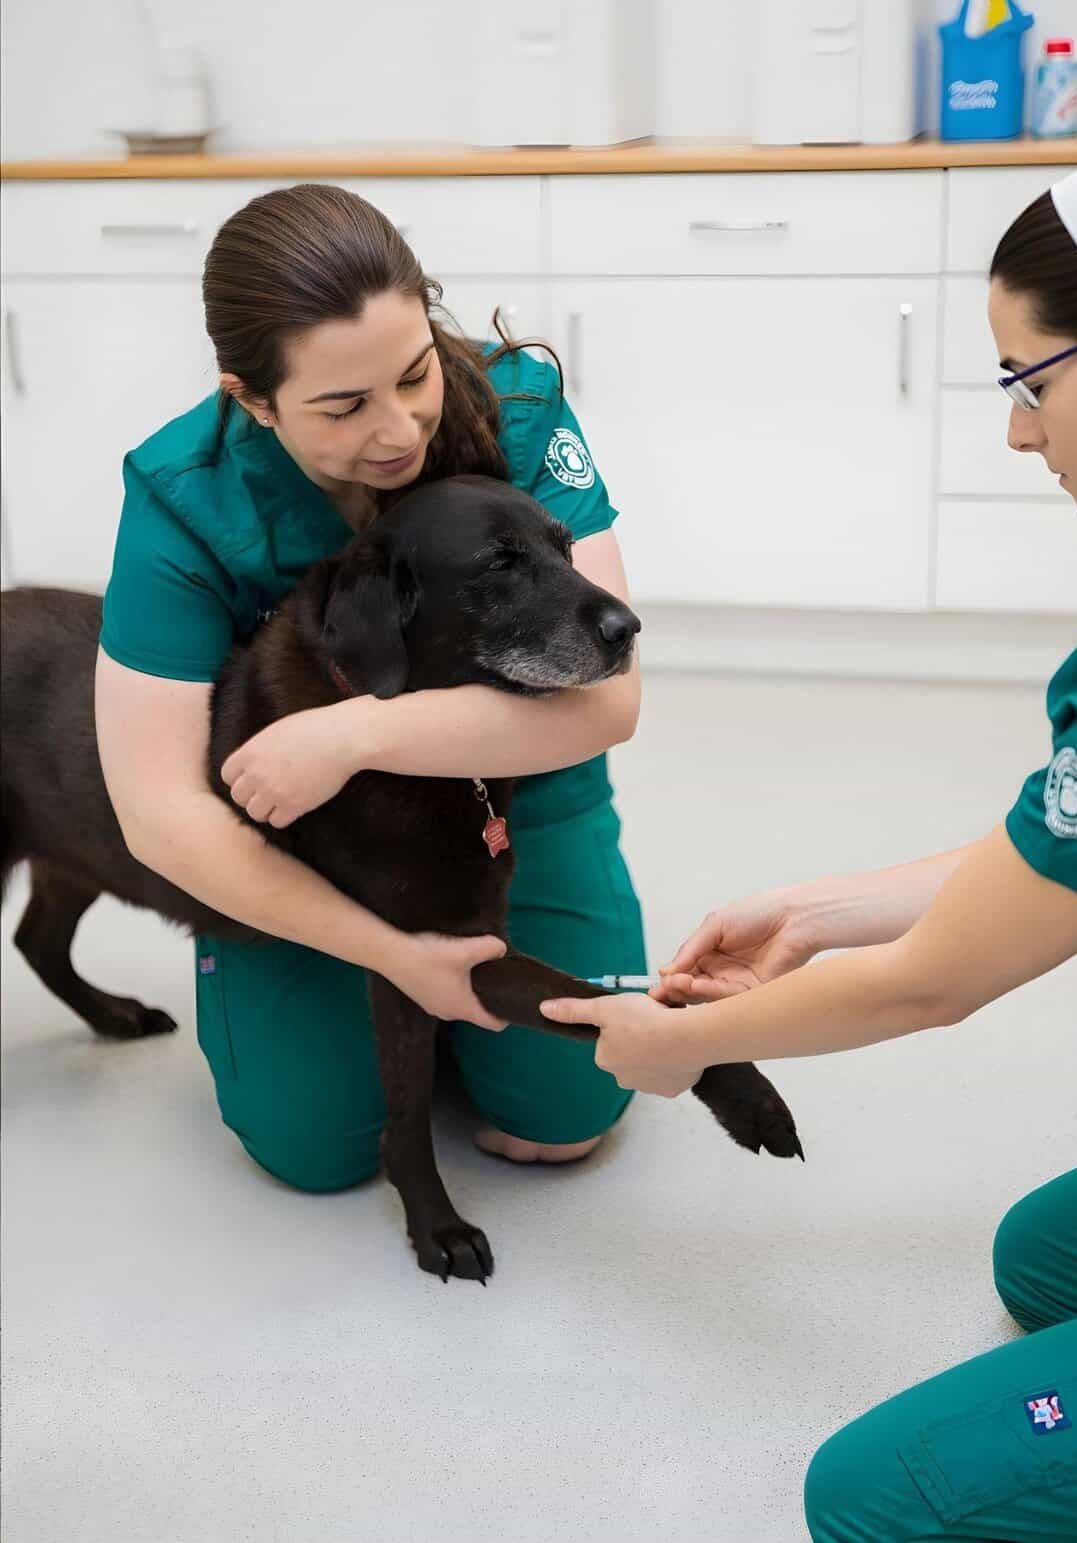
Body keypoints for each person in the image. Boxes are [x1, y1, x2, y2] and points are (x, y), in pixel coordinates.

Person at [542, 141, 1077, 1540]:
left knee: (877, 1495)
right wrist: (826, 907)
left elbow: (936, 982)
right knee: (1050, 1253)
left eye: (1030, 383)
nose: (1022, 435)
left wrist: (685, 1041)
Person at [95, 183, 646, 1191]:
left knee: (568, 1117)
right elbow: (159, 813)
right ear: (251, 399)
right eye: (343, 406)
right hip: (307, 842)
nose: (398, 430)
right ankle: (386, 1014)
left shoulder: (516, 409)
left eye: (414, 374)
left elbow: (609, 699)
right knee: (316, 1151)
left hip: (506, 793)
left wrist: (349, 736)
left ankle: (459, 1020)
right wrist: (384, 949)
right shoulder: (186, 495)